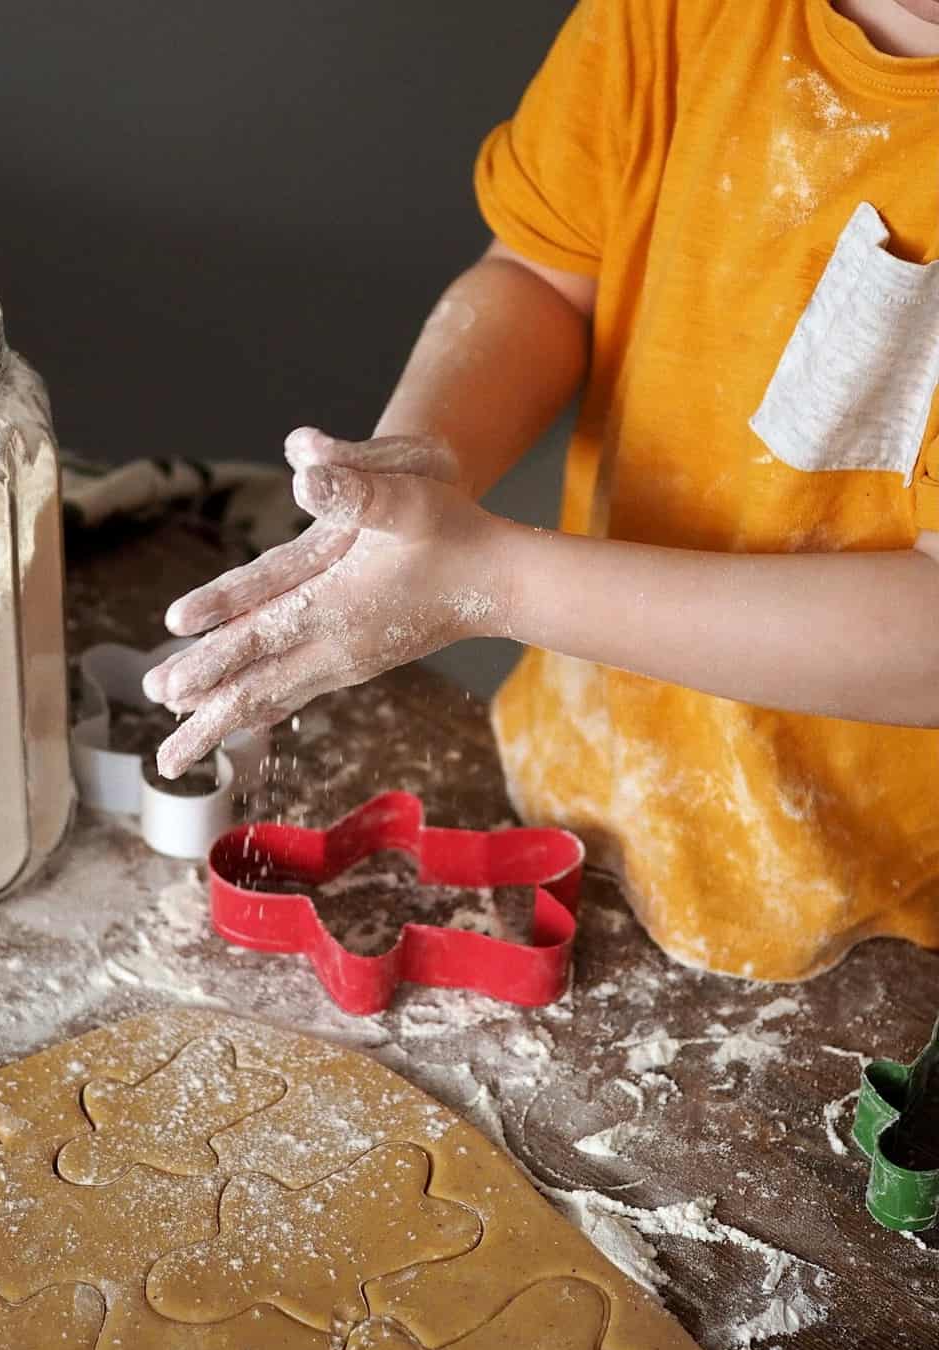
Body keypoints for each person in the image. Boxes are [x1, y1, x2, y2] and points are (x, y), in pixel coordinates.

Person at [145, 0, 939, 983]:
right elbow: (543, 275)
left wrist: (493, 581)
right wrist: (425, 459)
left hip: (886, 904)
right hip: (591, 777)